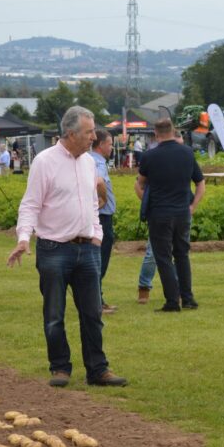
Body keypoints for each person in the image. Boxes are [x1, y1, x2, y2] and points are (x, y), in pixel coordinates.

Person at [7, 106, 127, 388]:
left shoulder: (89, 162)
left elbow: (92, 203)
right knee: (54, 314)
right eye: (88, 132)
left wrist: (95, 234)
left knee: (92, 314)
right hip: (54, 250)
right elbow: (31, 204)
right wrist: (24, 238)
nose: (93, 137)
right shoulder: (44, 162)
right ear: (70, 133)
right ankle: (60, 367)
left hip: (87, 250)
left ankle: (98, 369)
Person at [135, 119, 205, 312]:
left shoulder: (150, 156)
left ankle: (172, 301)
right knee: (182, 255)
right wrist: (193, 206)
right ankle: (188, 298)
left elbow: (140, 183)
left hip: (159, 214)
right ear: (174, 131)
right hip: (183, 213)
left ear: (156, 134)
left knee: (163, 257)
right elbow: (200, 183)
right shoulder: (187, 153)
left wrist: (146, 201)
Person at [91, 129, 118, 315]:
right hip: (102, 217)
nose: (112, 147)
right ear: (100, 145)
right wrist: (103, 200)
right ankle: (96, 302)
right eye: (110, 143)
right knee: (100, 260)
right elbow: (99, 181)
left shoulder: (91, 159)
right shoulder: (97, 162)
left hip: (99, 216)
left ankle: (98, 298)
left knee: (97, 260)